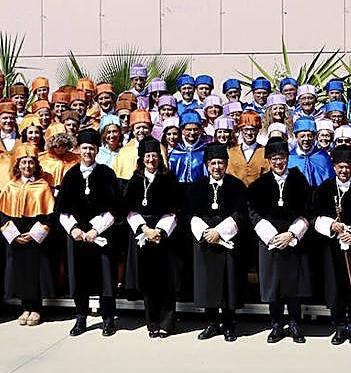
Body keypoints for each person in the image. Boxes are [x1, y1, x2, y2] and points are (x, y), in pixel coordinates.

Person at [56, 128, 121, 337]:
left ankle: (108, 318)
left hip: (101, 235)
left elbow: (114, 209)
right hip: (76, 237)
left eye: (92, 148)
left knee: (106, 278)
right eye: (84, 148)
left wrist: (95, 230)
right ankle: (80, 318)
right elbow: (62, 209)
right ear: (78, 149)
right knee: (79, 277)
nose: (88, 152)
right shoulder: (71, 175)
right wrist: (74, 229)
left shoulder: (107, 173)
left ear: (97, 150)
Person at [248, 138, 312, 343]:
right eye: (274, 158)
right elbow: (253, 212)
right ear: (268, 160)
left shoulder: (299, 180)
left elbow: (307, 210)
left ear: (288, 158)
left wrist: (292, 234)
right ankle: (276, 324)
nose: (278, 162)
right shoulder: (259, 184)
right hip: (270, 240)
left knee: (293, 285)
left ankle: (294, 323)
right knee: (273, 285)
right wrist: (272, 237)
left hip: (293, 238)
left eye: (282, 157)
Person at [312, 145, 351, 346]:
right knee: (335, 287)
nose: (344, 170)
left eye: (347, 166)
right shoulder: (324, 189)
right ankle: (339, 326)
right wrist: (331, 224)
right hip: (331, 249)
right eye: (340, 166)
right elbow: (314, 216)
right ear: (334, 166)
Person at [188, 143, 246, 341]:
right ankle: (212, 323)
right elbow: (191, 214)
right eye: (213, 163)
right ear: (206, 165)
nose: (217, 167)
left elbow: (240, 213)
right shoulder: (197, 187)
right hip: (204, 240)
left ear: (227, 164)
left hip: (227, 239)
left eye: (221, 163)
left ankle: (229, 324)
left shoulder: (236, 186)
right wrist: (206, 232)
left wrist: (219, 232)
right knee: (208, 282)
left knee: (228, 283)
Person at [123, 138, 181, 338]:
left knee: (166, 281)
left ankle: (167, 322)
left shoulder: (169, 179)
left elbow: (175, 209)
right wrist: (144, 229)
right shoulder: (135, 180)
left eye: (154, 156)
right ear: (142, 158)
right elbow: (128, 209)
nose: (151, 159)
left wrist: (159, 231)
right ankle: (152, 322)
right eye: (147, 156)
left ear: (160, 158)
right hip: (142, 236)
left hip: (164, 236)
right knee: (148, 282)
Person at [0, 143, 54, 328]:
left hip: (35, 238)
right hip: (16, 238)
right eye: (24, 163)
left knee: (35, 273)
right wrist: (14, 235)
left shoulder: (43, 186)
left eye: (31, 163)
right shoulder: (11, 186)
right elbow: (2, 215)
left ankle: (36, 308)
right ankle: (24, 307)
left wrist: (34, 234)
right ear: (17, 165)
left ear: (36, 165)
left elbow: (48, 215)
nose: (27, 166)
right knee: (19, 273)